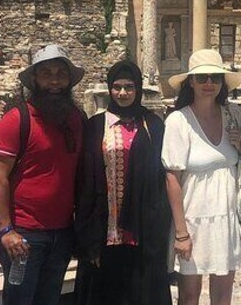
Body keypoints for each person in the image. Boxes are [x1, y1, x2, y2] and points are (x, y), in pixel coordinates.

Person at [0, 45, 86, 305]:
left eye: (60, 74)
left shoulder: (77, 119)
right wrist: (6, 229)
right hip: (23, 235)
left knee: (50, 299)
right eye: (46, 74)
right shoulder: (16, 120)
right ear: (34, 79)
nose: (54, 81)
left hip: (62, 232)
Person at [74, 60, 172, 305]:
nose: (123, 93)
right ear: (109, 89)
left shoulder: (153, 125)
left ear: (138, 88)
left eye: (129, 87)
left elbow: (163, 178)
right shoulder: (96, 126)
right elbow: (85, 181)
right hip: (105, 232)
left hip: (143, 232)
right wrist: (88, 238)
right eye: (117, 87)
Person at [162, 49, 241, 305]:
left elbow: (240, 163)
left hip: (227, 215)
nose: (209, 83)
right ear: (191, 82)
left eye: (215, 77)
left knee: (223, 294)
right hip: (193, 217)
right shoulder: (179, 120)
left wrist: (240, 145)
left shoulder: (233, 114)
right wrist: (181, 233)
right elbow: (172, 177)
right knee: (189, 295)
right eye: (202, 78)